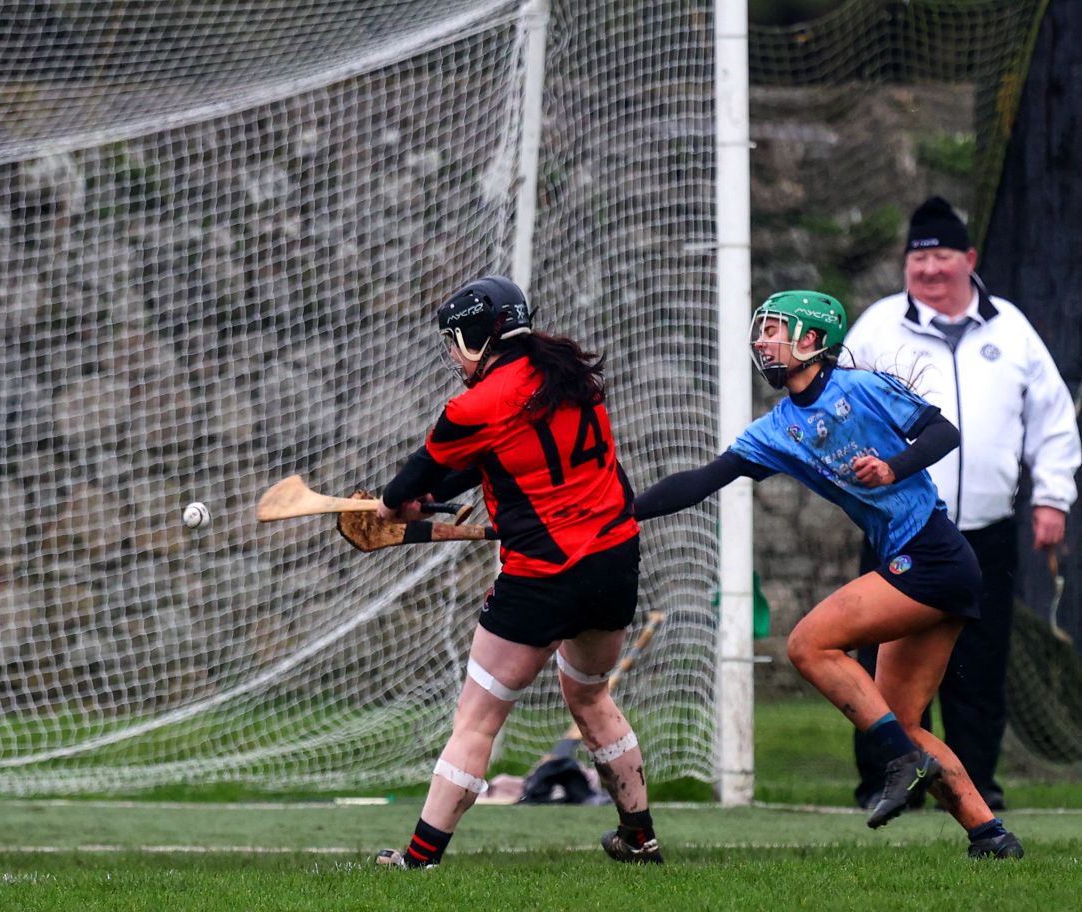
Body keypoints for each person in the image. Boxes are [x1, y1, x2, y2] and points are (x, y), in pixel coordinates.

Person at [634, 289, 1022, 859]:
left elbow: (944, 433)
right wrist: (623, 512)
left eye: (774, 330)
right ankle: (991, 836)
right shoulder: (777, 428)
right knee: (901, 721)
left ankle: (903, 761)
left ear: (812, 340)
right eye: (761, 331)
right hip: (918, 563)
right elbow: (704, 479)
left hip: (934, 556)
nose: (762, 341)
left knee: (808, 644)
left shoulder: (860, 387)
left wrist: (892, 466)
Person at [372, 275, 663, 868]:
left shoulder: (474, 405)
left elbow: (416, 475)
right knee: (591, 697)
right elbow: (499, 457)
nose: (454, 356)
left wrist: (390, 505)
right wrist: (425, 497)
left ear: (480, 335)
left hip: (543, 575)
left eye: (456, 342)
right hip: (614, 564)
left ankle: (419, 859)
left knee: (476, 720)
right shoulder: (570, 375)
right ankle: (639, 837)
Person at [843, 197, 1080, 811]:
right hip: (901, 530)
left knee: (980, 662)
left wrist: (1052, 499)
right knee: (884, 661)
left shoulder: (1011, 330)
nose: (929, 270)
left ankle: (975, 789)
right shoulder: (877, 328)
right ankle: (887, 787)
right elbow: (839, 411)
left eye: (942, 257)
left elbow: (1052, 420)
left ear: (969, 259)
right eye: (918, 259)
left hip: (986, 531)